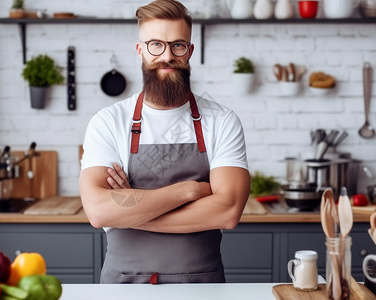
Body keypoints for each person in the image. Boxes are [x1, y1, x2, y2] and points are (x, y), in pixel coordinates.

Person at [79, 0, 250, 284]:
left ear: (189, 51)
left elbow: (228, 211)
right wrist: (188, 191)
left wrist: (129, 213)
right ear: (141, 50)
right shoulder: (108, 122)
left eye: (178, 45)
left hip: (202, 288)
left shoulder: (222, 121)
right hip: (124, 287)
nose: (167, 56)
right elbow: (98, 211)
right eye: (155, 45)